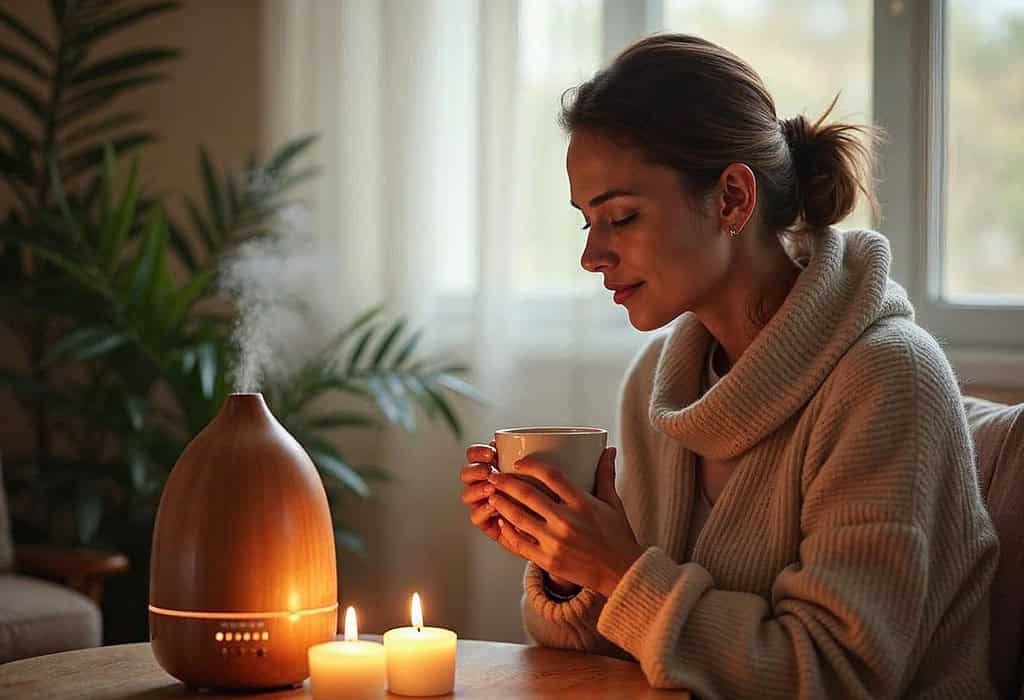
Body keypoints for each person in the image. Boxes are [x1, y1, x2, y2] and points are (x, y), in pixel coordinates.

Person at [459, 33, 999, 698]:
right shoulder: (661, 384)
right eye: (586, 224)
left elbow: (838, 673)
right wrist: (568, 559)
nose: (591, 257)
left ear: (733, 200)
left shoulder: (887, 381)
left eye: (621, 217)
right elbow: (632, 659)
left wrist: (622, 571)